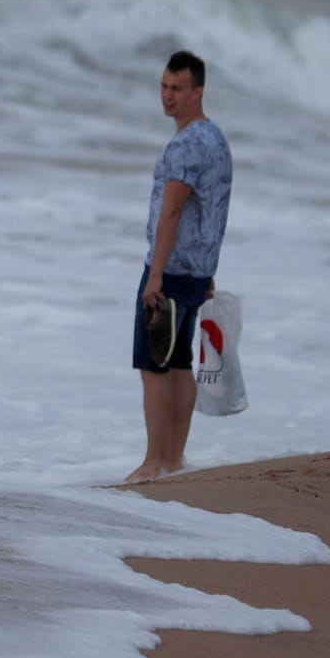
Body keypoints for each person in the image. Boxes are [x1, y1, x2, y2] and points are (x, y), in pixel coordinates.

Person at [124, 51, 232, 485]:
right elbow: (217, 209)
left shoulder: (186, 145)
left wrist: (154, 277)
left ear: (198, 91)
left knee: (155, 366)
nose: (168, 97)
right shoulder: (217, 140)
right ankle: (174, 460)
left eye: (177, 89)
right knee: (181, 362)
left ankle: (153, 462)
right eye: (164, 87)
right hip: (196, 272)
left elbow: (171, 214)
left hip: (169, 272)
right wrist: (208, 269)